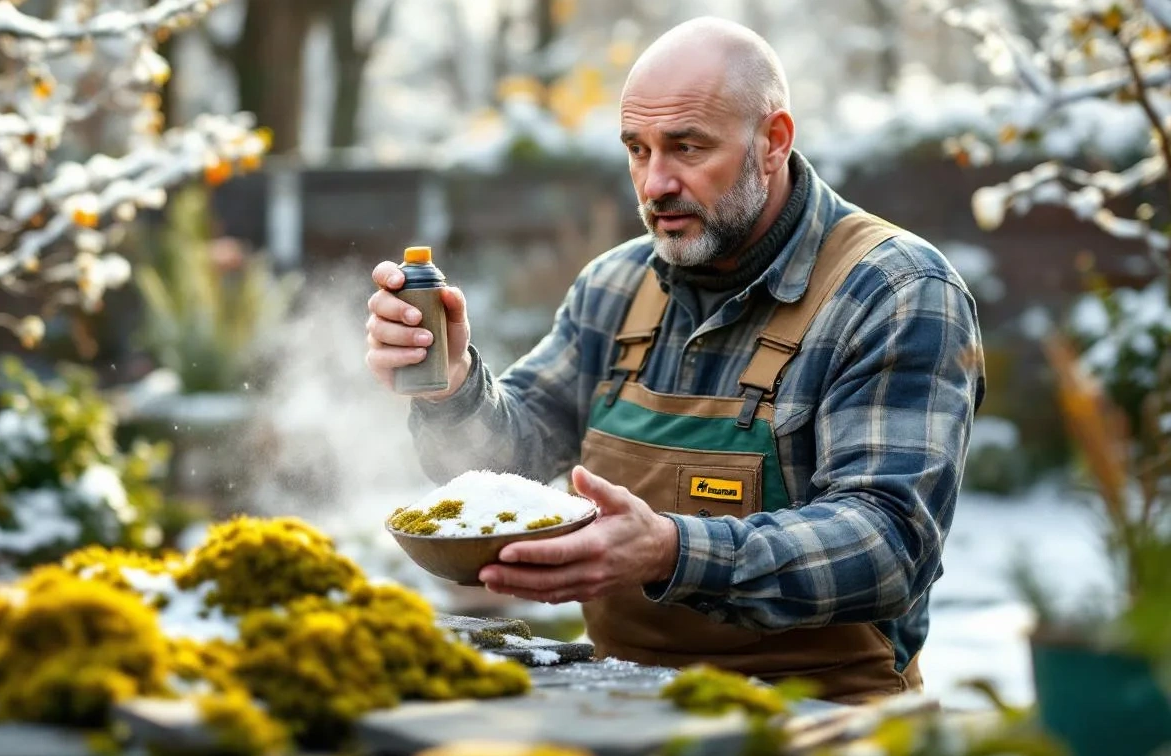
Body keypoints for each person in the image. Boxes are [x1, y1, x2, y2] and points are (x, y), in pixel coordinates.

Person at [364, 17, 985, 704]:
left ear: (773, 141)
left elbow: (888, 544)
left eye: (687, 147)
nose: (655, 183)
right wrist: (452, 390)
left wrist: (672, 551)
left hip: (818, 716)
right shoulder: (614, 285)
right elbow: (510, 459)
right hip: (621, 703)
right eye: (637, 149)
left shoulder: (893, 291)